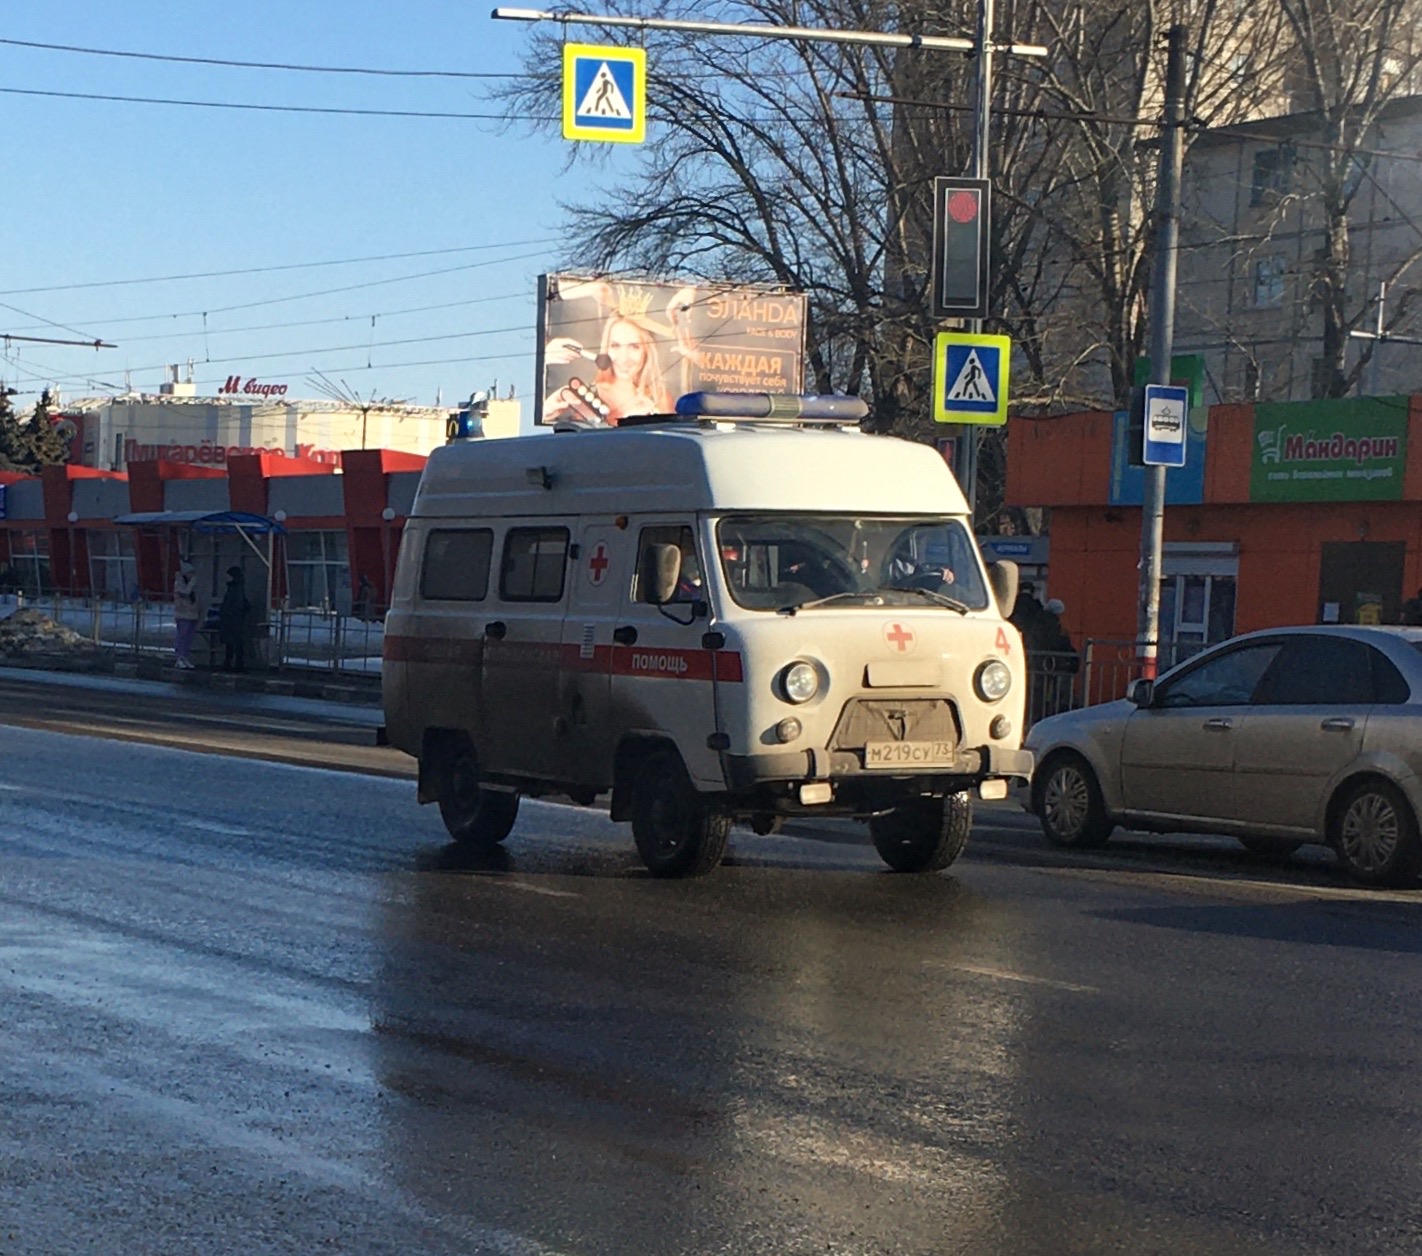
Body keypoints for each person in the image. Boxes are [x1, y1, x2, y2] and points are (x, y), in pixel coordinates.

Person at [217, 565, 251, 673]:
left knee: (232, 643)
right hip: (236, 620)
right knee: (235, 643)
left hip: (232, 620)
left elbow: (233, 605)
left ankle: (231, 665)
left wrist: (226, 614)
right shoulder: (239, 587)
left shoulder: (234, 589)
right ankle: (235, 664)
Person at [172, 559, 201, 670]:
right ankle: (179, 657)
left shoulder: (191, 585)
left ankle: (185, 657)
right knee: (182, 637)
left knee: (189, 638)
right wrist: (192, 583)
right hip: (183, 614)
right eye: (190, 573)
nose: (192, 575)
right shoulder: (179, 583)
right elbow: (185, 593)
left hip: (192, 614)